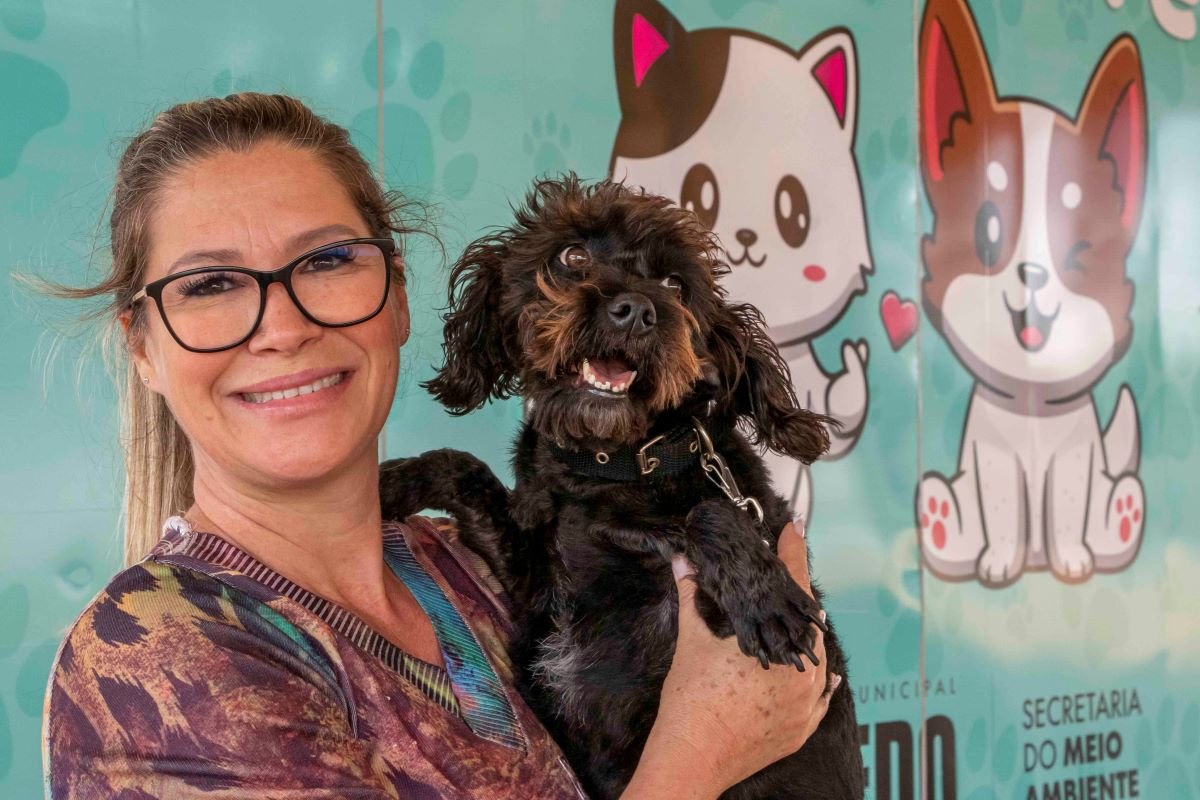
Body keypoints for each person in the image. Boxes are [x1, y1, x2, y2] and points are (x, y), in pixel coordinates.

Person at [41, 93, 838, 799]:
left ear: (396, 297)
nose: (282, 328)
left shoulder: (464, 565)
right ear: (142, 346)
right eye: (211, 284)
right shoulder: (152, 667)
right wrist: (698, 756)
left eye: (326, 261)